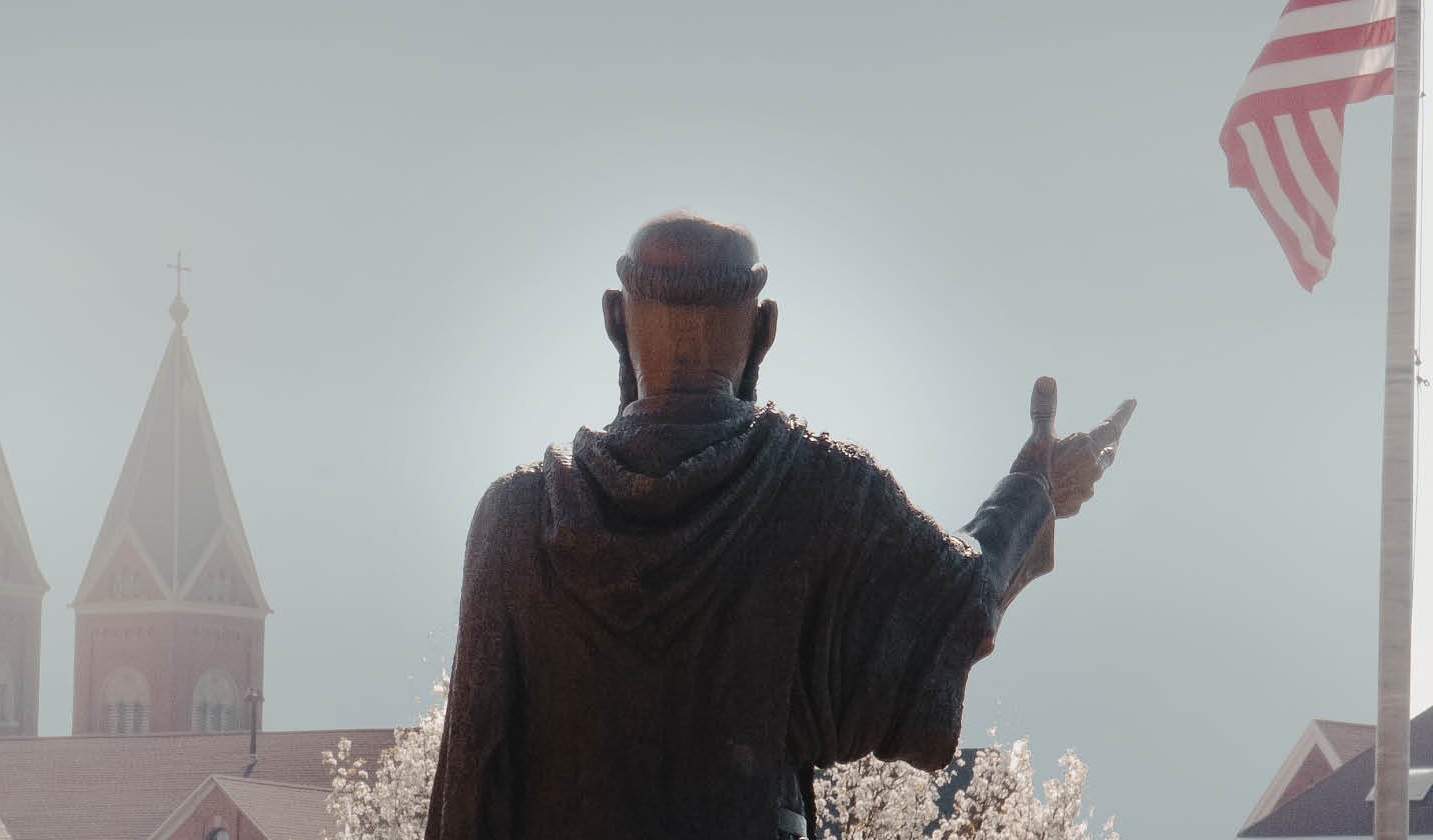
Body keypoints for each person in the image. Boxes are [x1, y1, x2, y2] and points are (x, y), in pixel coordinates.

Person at [426, 210, 1134, 840]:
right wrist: (1034, 492)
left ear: (614, 319)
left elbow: (468, 788)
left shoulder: (515, 516)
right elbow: (964, 602)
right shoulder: (823, 492)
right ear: (764, 331)